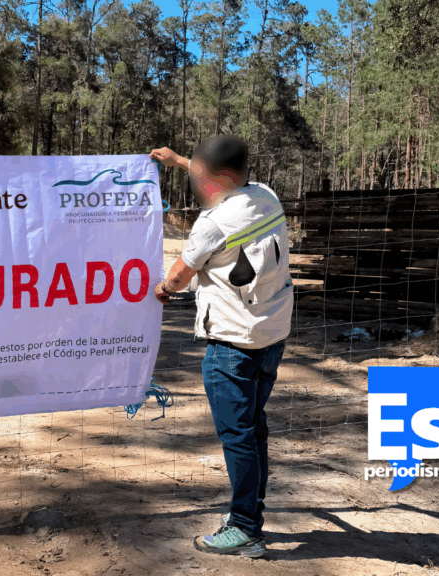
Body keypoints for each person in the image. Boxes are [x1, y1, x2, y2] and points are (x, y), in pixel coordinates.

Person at [149, 135, 293, 558]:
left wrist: (162, 289)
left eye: (196, 172)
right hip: (270, 336)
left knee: (238, 436)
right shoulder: (266, 196)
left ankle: (246, 527)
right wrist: (179, 161)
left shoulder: (211, 225)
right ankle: (250, 514)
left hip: (231, 345)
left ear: (211, 179)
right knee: (253, 427)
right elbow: (223, 179)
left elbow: (177, 278)